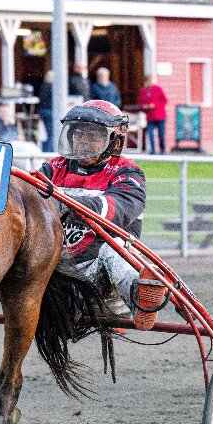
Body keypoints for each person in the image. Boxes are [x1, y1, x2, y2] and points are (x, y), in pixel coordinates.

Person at [39, 100, 166, 330]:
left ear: (113, 141)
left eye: (93, 135)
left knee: (112, 247)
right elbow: (29, 196)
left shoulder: (127, 171)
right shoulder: (54, 167)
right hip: (57, 267)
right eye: (79, 134)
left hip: (102, 275)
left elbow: (119, 208)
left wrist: (68, 205)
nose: (83, 141)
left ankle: (139, 298)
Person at [139, 75, 168, 154]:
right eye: (147, 81)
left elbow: (164, 100)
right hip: (150, 117)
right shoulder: (143, 91)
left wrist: (154, 105)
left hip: (160, 116)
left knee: (161, 135)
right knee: (150, 134)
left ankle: (162, 150)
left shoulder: (158, 89)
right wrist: (144, 106)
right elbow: (140, 103)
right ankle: (153, 150)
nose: (149, 83)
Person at [38, 70, 55, 153]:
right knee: (51, 133)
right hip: (49, 111)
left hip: (43, 111)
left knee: (45, 133)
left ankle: (46, 150)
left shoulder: (43, 86)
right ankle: (48, 151)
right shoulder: (52, 88)